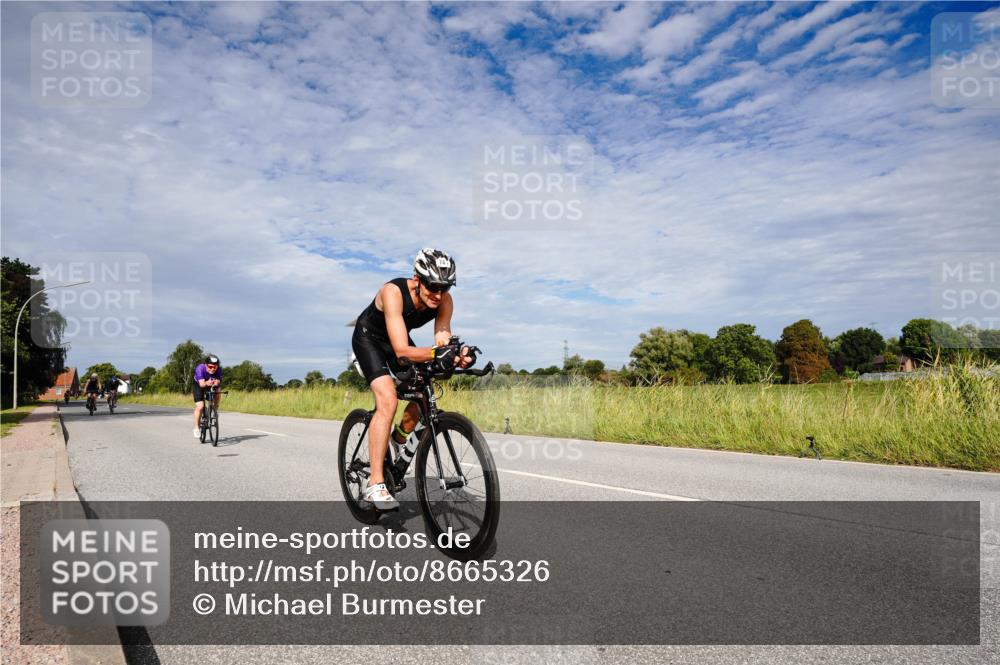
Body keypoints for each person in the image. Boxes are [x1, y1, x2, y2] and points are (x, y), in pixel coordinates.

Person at [351, 248, 472, 510]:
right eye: (433, 286)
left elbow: (442, 338)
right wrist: (435, 354)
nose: (438, 294)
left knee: (424, 390)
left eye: (445, 287)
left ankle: (396, 440)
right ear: (417, 279)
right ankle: (375, 483)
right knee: (388, 400)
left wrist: (456, 355)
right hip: (369, 341)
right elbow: (402, 351)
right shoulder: (392, 292)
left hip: (399, 341)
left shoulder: (444, 300)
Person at [192, 354, 222, 438]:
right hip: (198, 385)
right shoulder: (200, 368)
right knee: (200, 406)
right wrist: (207, 383)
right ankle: (196, 428)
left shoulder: (219, 369)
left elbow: (218, 381)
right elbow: (202, 384)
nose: (212, 369)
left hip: (210, 383)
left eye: (215, 367)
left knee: (218, 391)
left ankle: (214, 411)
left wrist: (216, 383)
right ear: (206, 365)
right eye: (210, 366)